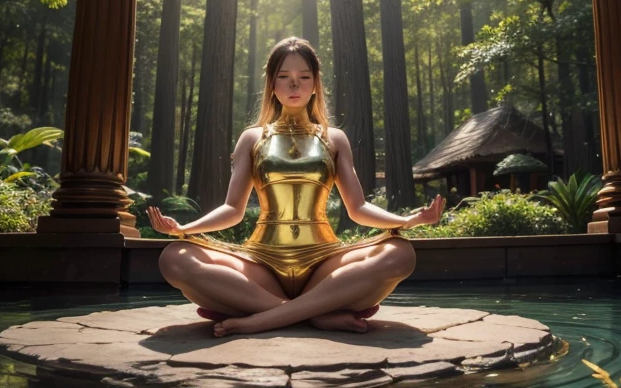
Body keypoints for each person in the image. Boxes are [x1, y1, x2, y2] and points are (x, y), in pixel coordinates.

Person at [147, 37, 445, 337]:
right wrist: (185, 229)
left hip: (324, 264)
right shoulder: (252, 138)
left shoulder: (334, 138)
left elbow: (358, 208)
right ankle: (316, 315)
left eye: (303, 78)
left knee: (400, 253)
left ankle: (264, 317)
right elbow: (232, 210)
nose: (294, 86)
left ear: (315, 84)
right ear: (271, 85)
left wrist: (407, 221)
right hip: (261, 264)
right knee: (174, 257)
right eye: (284, 78)